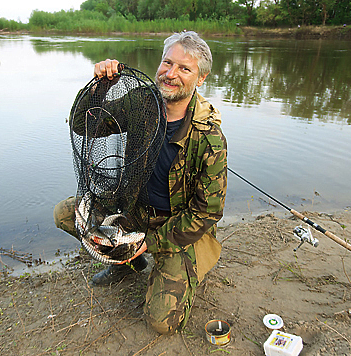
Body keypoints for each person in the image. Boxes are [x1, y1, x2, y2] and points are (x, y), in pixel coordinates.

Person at [54, 31, 227, 335]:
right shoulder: (140, 102)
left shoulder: (210, 138)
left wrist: (151, 243)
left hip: (176, 227)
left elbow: (207, 213)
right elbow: (84, 125)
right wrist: (100, 87)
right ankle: (129, 264)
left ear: (201, 79)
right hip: (133, 211)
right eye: (167, 63)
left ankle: (174, 270)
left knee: (161, 323)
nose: (171, 74)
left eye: (184, 69)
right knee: (67, 213)